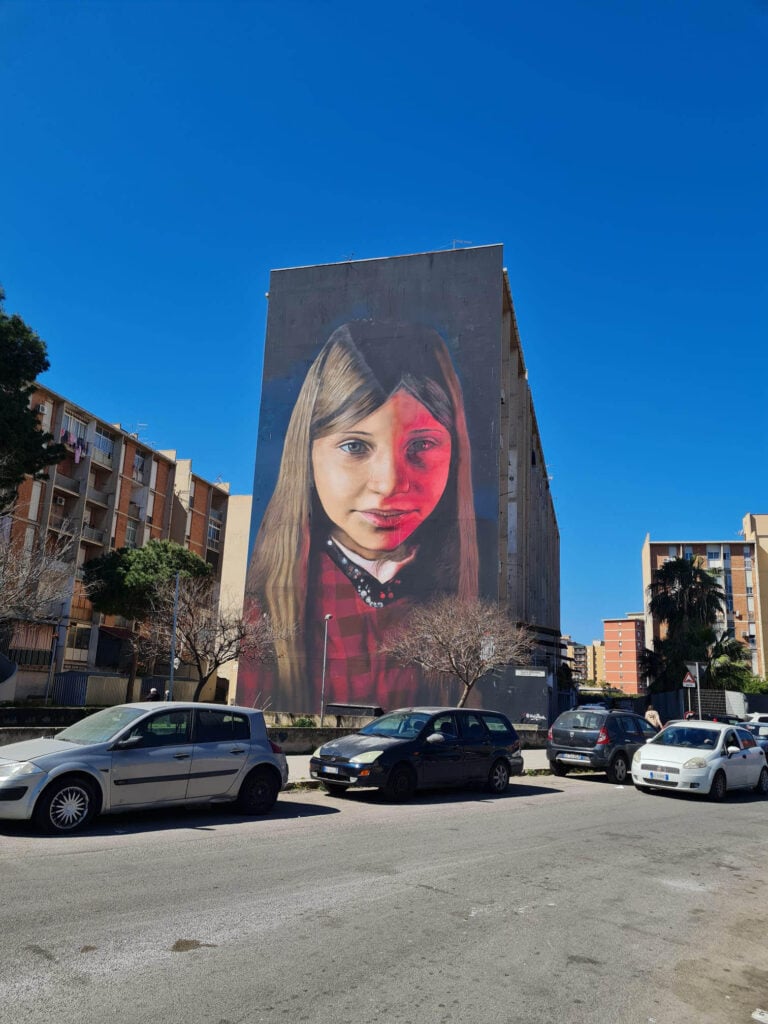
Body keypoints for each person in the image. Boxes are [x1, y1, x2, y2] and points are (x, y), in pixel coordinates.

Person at [240, 319, 479, 711]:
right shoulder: (268, 609)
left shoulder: (465, 595)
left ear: (456, 454)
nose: (387, 484)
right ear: (308, 454)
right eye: (354, 446)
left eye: (420, 445)